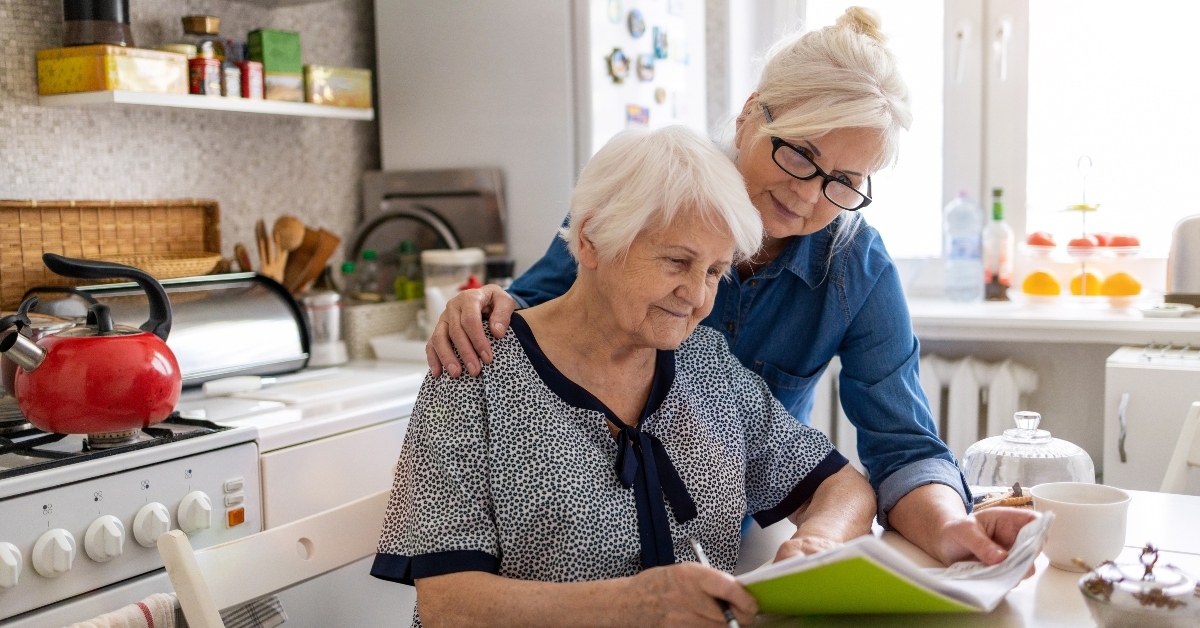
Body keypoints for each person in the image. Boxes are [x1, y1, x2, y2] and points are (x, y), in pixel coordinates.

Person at [425, 7, 1037, 568]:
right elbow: (536, 316)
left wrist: (951, 526)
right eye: (800, 153)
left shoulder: (856, 267)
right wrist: (483, 304)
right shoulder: (650, 196)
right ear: (750, 115)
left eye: (844, 180)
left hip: (733, 537)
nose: (806, 193)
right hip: (584, 540)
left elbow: (902, 447)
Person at [372, 126, 876, 627]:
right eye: (678, 261)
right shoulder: (476, 369)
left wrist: (817, 545)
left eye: (714, 272)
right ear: (591, 240)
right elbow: (448, 605)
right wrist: (631, 608)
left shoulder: (708, 364)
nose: (698, 297)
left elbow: (843, 487)